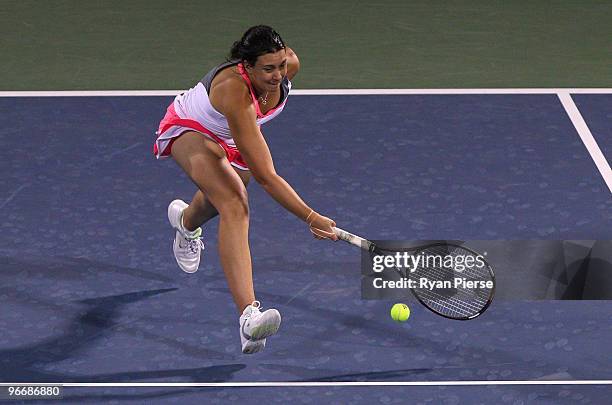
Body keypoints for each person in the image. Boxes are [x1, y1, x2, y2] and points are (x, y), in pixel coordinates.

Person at [153, 25, 338, 354]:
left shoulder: (288, 66)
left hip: (230, 135)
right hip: (190, 130)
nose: (278, 75)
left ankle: (186, 222)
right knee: (235, 203)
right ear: (246, 65)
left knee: (217, 199)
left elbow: (259, 156)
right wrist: (311, 217)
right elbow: (267, 176)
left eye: (281, 65)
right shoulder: (233, 92)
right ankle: (249, 318)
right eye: (268, 69)